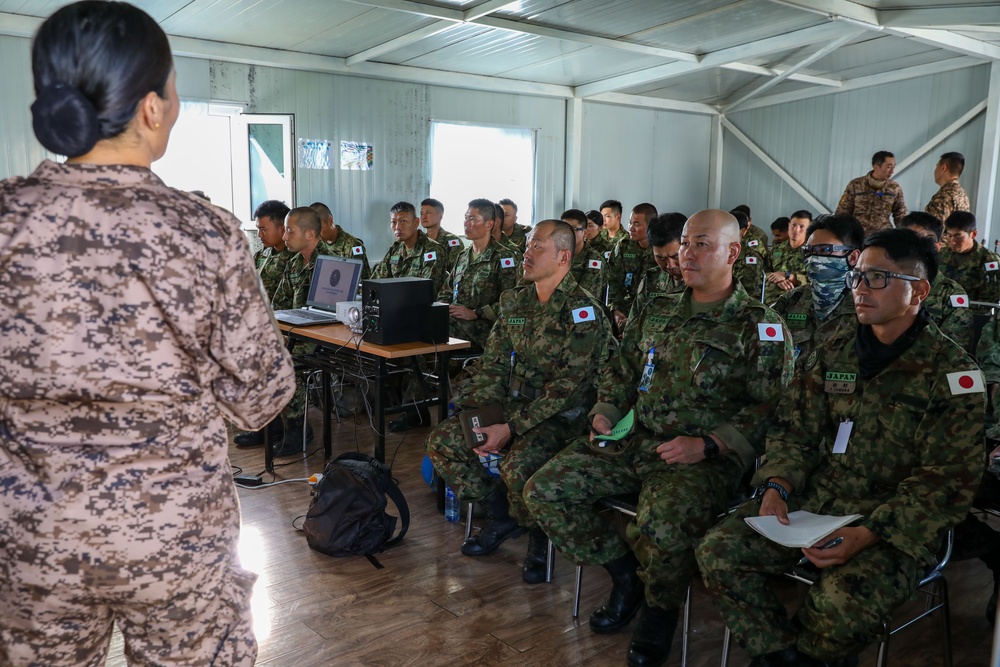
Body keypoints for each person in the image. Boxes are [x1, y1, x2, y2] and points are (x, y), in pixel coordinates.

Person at [0, 3, 296, 665]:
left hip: (33, 536)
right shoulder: (205, 230)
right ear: (152, 108)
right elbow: (262, 394)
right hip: (177, 539)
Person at [697, 228, 984, 667]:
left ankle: (817, 655)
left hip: (896, 521)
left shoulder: (953, 376)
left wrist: (870, 531)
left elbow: (946, 482)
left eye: (878, 278)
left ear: (919, 290)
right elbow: (795, 429)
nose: (860, 289)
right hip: (818, 498)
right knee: (717, 550)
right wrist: (777, 486)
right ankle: (780, 653)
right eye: (857, 276)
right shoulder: (835, 348)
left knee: (838, 602)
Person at [525, 210, 793, 667]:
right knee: (544, 490)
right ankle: (626, 576)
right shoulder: (659, 307)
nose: (687, 254)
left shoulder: (760, 327)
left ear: (733, 251)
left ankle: (659, 610)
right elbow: (623, 370)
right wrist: (606, 411)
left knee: (663, 525)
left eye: (701, 244)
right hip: (637, 438)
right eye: (685, 244)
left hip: (702, 457)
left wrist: (710, 444)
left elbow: (773, 409)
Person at [426, 220, 611, 583]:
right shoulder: (515, 301)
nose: (526, 252)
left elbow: (568, 391)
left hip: (560, 416)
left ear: (563, 257)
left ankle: (539, 540)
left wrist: (509, 429)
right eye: (527, 245)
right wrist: (474, 417)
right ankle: (502, 516)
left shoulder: (582, 314)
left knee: (519, 464)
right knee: (443, 442)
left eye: (537, 246)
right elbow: (494, 365)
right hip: (512, 407)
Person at [266, 207, 337, 454]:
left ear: (309, 234)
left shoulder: (332, 262)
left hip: (324, 335)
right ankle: (272, 425)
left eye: (289, 231)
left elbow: (335, 315)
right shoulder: (294, 263)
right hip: (296, 331)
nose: (284, 237)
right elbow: (279, 304)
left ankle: (298, 428)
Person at [771, 214, 864, 368]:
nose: (813, 258)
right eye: (809, 251)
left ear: (853, 257)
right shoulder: (791, 301)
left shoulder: (867, 307)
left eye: (824, 250)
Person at [437, 199, 520, 351]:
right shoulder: (463, 256)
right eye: (466, 218)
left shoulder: (503, 258)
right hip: (454, 321)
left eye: (472, 219)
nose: (466, 223)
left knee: (435, 335)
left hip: (484, 330)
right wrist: (445, 308)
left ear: (489, 224)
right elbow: (446, 291)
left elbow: (512, 301)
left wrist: (476, 313)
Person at [896, 211, 976, 355]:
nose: (912, 248)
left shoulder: (950, 293)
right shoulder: (881, 284)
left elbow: (956, 350)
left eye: (921, 241)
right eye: (907, 241)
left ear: (936, 247)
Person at [372, 201, 448, 296]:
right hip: (393, 303)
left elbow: (425, 291)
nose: (397, 227)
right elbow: (375, 282)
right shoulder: (395, 250)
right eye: (393, 222)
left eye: (403, 221)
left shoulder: (432, 250)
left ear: (416, 222)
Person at [604, 202, 658, 331]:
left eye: (637, 224)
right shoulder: (624, 246)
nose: (631, 228)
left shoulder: (661, 248)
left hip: (654, 310)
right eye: (630, 223)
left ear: (651, 226)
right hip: (626, 309)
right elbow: (614, 281)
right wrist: (615, 309)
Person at [835, 150, 908, 235]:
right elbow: (843, 211)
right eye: (889, 167)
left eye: (894, 167)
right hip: (857, 236)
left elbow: (900, 214)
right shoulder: (856, 185)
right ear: (876, 167)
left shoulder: (894, 188)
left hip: (882, 237)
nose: (892, 171)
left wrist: (905, 234)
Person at [630, 211, 687, 318]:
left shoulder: (703, 281)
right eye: (661, 258)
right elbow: (634, 323)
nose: (670, 265)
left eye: (675, 257)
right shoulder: (652, 278)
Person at [939, 210, 1000, 303]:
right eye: (949, 235)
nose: (953, 241)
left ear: (973, 234)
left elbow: (991, 301)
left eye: (958, 236)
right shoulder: (941, 255)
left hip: (972, 314)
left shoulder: (989, 261)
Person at [310, 200, 372, 279]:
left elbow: (362, 282)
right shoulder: (315, 246)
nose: (316, 234)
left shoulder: (354, 246)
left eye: (319, 229)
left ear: (330, 220)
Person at [765, 210, 811, 304]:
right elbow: (763, 271)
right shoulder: (777, 249)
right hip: (771, 302)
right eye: (794, 225)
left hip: (798, 304)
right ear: (789, 225)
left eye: (802, 227)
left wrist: (789, 276)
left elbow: (816, 281)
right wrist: (776, 278)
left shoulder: (813, 253)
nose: (796, 230)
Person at [252, 199, 293, 301]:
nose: (259, 234)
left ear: (282, 229)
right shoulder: (261, 256)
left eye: (263, 229)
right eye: (258, 229)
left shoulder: (295, 258)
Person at [562, 208, 607, 299]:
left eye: (574, 229)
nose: (567, 233)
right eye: (564, 228)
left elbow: (586, 296)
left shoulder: (594, 259)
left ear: (585, 233)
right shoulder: (556, 256)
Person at [925, 151, 971, 223]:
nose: (935, 170)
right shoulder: (963, 195)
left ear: (943, 168)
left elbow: (933, 231)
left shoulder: (943, 197)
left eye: (937, 166)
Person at [420, 197, 464, 271]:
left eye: (428, 213)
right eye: (421, 213)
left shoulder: (452, 241)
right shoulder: (419, 241)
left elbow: (455, 270)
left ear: (440, 216)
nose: (423, 217)